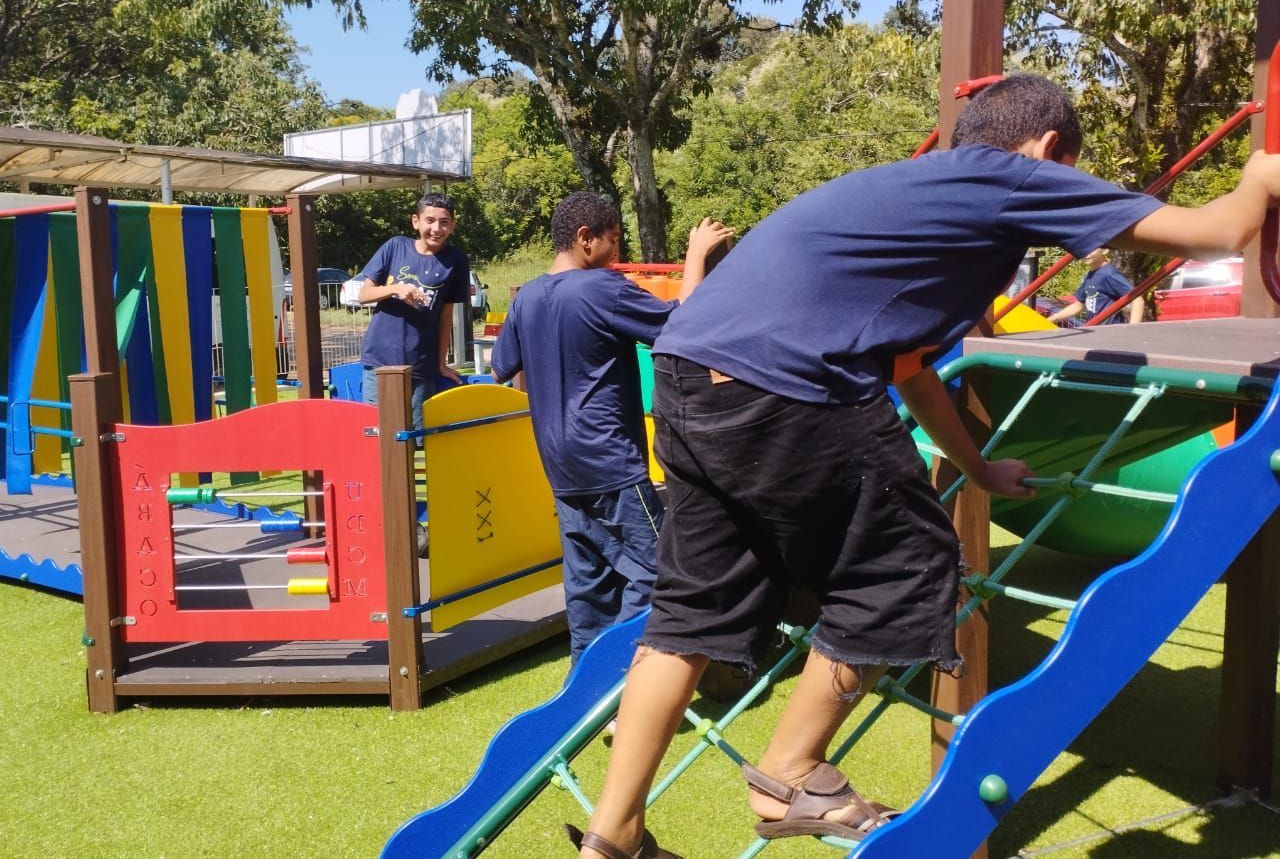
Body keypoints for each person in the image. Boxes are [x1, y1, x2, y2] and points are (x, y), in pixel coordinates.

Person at [571, 74, 1280, 859]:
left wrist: (976, 467)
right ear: (1048, 151)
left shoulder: (922, 193)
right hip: (784, 380)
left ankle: (613, 835)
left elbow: (909, 366)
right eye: (1071, 169)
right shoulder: (1013, 177)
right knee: (910, 562)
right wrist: (1261, 175)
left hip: (686, 377)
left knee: (689, 612)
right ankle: (789, 771)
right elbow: (1217, 231)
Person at [490, 191, 732, 666]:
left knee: (588, 586)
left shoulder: (528, 297)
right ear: (585, 239)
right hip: (610, 462)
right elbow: (682, 324)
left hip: (561, 467)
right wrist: (696, 255)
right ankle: (628, 683)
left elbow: (502, 366)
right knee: (662, 571)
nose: (617, 255)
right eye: (614, 242)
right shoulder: (601, 288)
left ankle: (585, 697)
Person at [355, 192, 469, 429]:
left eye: (444, 222)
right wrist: (396, 288)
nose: (436, 228)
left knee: (418, 438)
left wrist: (441, 363)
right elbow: (363, 295)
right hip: (380, 360)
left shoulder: (456, 261)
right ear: (416, 221)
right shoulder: (395, 246)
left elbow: (446, 317)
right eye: (430, 220)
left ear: (452, 226)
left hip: (421, 364)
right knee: (380, 436)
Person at [1047, 247, 1144, 325]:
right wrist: (1051, 319)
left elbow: (1137, 299)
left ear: (1105, 250)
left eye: (1091, 249)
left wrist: (1133, 328)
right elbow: (1078, 305)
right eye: (1083, 249)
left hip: (1109, 332)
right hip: (1094, 329)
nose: (1086, 254)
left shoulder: (1109, 274)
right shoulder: (1090, 275)